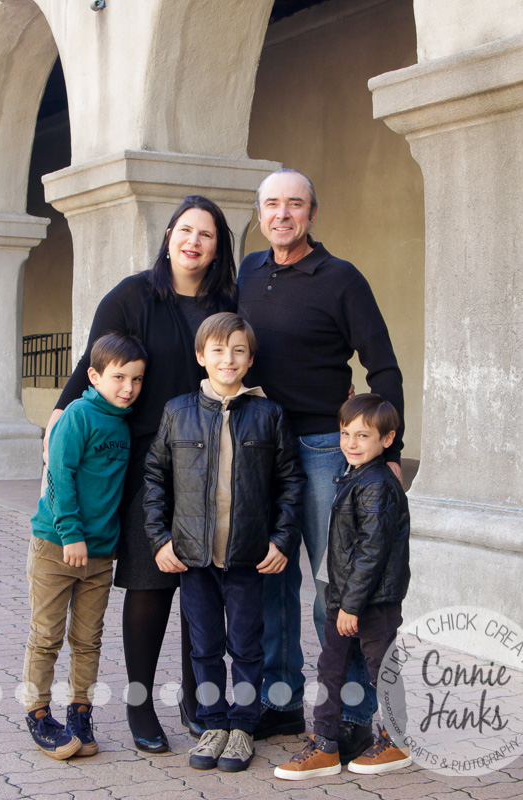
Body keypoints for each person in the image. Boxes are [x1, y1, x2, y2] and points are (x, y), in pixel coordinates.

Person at [44, 196, 238, 753]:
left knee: (201, 584)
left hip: (210, 460)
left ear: (218, 247)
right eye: (185, 230)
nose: (194, 242)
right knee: (151, 584)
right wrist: (60, 415)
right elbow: (94, 363)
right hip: (144, 462)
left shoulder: (227, 303)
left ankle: (199, 701)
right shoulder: (131, 296)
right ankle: (139, 703)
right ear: (169, 235)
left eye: (206, 234)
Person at [238, 168, 405, 760]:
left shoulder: (341, 278)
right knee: (271, 581)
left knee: (333, 588)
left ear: (312, 213)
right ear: (260, 212)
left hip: (321, 452)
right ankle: (280, 701)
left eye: (295, 204)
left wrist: (388, 454)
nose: (282, 214)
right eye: (272, 204)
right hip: (259, 449)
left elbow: (383, 367)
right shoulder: (247, 271)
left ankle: (354, 715)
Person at [142, 312, 305, 772]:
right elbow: (155, 478)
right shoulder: (178, 412)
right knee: (205, 647)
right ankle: (213, 722)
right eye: (217, 350)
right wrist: (159, 540)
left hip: (248, 557)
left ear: (250, 359)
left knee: (248, 647)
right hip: (194, 557)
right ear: (201, 356)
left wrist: (282, 541)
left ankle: (244, 726)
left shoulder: (269, 414)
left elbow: (290, 482)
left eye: (238, 350)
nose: (227, 359)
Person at [23, 333, 147, 759]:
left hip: (99, 555)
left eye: (136, 379)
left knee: (88, 639)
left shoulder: (124, 422)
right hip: (56, 546)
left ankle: (80, 712)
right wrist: (71, 533)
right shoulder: (78, 414)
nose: (128, 387)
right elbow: (59, 474)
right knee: (46, 636)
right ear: (94, 376)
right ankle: (38, 713)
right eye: (119, 377)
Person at [274, 393, 411, 780]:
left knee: (380, 669)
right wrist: (339, 600)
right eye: (345, 433)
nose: (351, 443)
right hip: (344, 597)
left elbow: (371, 552)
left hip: (372, 603)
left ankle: (397, 741)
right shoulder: (354, 475)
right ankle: (325, 744)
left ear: (387, 439)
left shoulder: (378, 485)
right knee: (330, 669)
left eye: (363, 436)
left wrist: (350, 605)